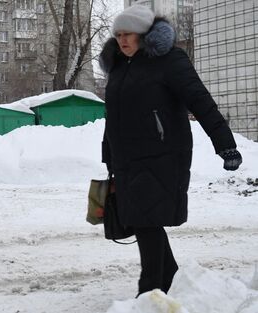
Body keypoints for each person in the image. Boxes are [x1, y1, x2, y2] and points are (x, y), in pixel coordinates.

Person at [99, 4, 242, 296]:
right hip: (127, 161)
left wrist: (225, 144)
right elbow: (114, 115)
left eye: (130, 34)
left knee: (146, 220)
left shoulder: (169, 61)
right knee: (142, 221)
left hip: (163, 156)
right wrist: (108, 154)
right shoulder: (118, 67)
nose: (123, 40)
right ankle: (172, 279)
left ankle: (150, 289)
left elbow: (200, 100)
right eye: (119, 34)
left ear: (144, 34)